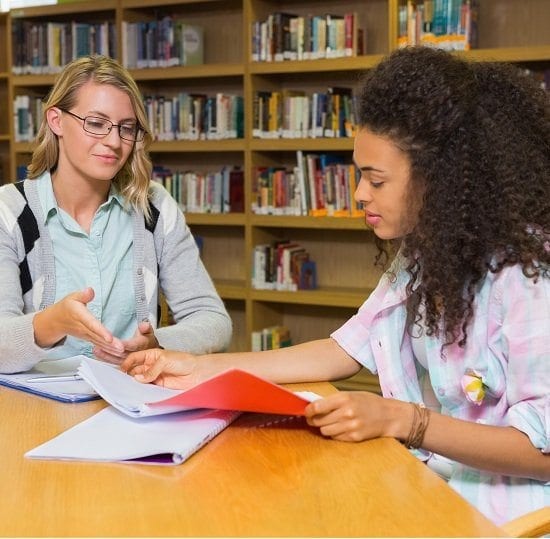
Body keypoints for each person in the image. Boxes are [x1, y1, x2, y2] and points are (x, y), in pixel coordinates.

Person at [121, 46, 550, 525]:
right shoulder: (430, 252)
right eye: (359, 174)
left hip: (515, 513)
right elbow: (347, 346)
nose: (360, 193)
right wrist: (199, 369)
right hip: (445, 488)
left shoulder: (530, 277)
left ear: (441, 179)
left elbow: (541, 452)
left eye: (376, 180)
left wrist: (406, 421)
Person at [0, 54, 232, 373]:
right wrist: (50, 324)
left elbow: (214, 321)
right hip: (33, 409)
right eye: (96, 124)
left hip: (129, 398)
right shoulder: (8, 211)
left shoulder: (154, 207)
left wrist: (158, 345)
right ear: (56, 121)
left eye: (126, 128)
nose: (113, 142)